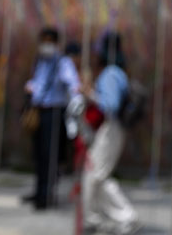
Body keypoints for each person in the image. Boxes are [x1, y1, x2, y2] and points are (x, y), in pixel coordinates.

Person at [81, 32, 139, 235]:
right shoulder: (117, 72)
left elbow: (110, 106)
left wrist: (90, 94)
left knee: (96, 175)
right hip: (112, 129)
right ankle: (95, 218)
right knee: (95, 175)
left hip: (110, 128)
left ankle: (125, 216)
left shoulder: (111, 74)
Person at [23, 27, 80, 210]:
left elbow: (73, 84)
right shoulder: (40, 61)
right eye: (43, 41)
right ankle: (39, 191)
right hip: (39, 110)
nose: (45, 45)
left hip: (54, 112)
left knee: (50, 155)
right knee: (39, 154)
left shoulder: (63, 62)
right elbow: (38, 82)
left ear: (56, 43)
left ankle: (47, 194)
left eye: (49, 41)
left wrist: (76, 104)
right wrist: (31, 86)